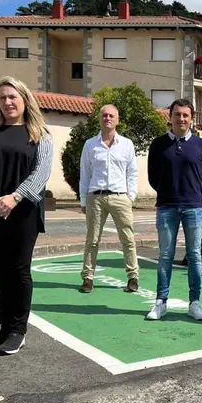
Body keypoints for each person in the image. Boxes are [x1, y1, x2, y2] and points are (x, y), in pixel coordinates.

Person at [0, 76, 53, 355]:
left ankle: (18, 330)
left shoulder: (40, 133)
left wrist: (14, 198)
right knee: (0, 271)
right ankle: (4, 327)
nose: (7, 102)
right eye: (2, 98)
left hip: (24, 211)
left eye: (13, 96)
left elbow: (41, 172)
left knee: (19, 270)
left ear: (25, 99)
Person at [145, 99, 202, 321]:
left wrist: (194, 193)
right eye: (177, 114)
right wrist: (168, 193)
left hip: (193, 208)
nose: (181, 119)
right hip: (166, 207)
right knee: (165, 255)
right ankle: (160, 302)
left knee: (194, 255)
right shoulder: (158, 145)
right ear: (170, 117)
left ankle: (194, 303)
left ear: (191, 119)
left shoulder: (201, 145)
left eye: (185, 115)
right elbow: (152, 177)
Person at [78, 104, 139, 293]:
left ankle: (133, 277)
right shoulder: (90, 144)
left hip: (121, 197)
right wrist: (83, 201)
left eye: (111, 115)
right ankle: (88, 278)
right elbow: (85, 174)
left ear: (117, 119)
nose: (108, 118)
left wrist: (131, 197)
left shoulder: (127, 144)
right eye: (104, 115)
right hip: (96, 197)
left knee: (127, 239)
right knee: (92, 240)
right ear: (99, 119)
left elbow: (132, 173)